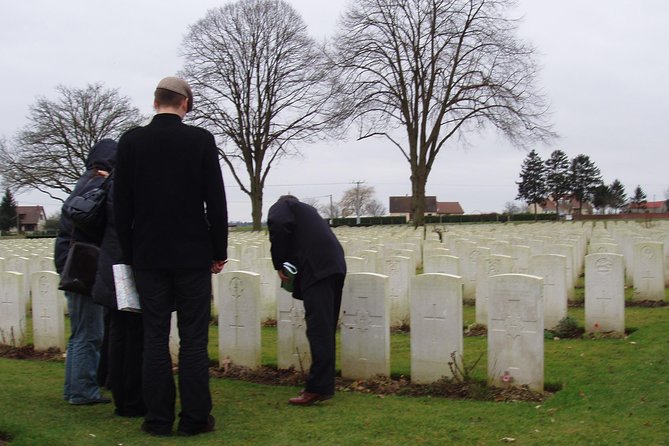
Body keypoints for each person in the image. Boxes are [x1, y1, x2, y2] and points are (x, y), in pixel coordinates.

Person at [114, 76, 228, 437]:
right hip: (192, 254)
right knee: (194, 339)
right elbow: (216, 200)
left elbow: (122, 206)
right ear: (185, 104)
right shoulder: (200, 140)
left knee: (154, 338)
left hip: (148, 256)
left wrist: (131, 255)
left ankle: (158, 419)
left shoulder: (131, 142)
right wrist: (218, 251)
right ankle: (195, 419)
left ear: (154, 102)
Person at [267, 195, 346, 405]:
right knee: (325, 328)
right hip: (334, 264)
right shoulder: (308, 212)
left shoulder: (283, 205)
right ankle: (324, 385)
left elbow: (280, 224)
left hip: (318, 267)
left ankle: (318, 388)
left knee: (318, 329)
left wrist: (280, 263)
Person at [55, 138, 117, 406]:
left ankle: (74, 389)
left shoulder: (82, 184)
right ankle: (83, 391)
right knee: (90, 334)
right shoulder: (97, 187)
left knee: (80, 332)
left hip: (72, 265)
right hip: (86, 268)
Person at [91, 167, 146, 418]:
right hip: (126, 266)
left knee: (117, 332)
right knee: (133, 334)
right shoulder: (128, 184)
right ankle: (132, 400)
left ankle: (121, 396)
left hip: (110, 263)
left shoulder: (109, 184)